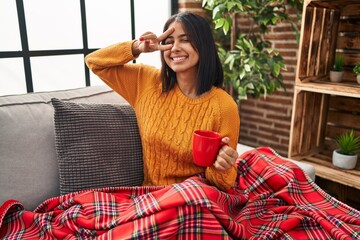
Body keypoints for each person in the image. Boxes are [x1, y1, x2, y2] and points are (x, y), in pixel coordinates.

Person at [85, 11, 240, 191]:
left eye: (185, 39)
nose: (175, 48)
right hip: (152, 197)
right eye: (168, 42)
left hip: (195, 197)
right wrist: (136, 47)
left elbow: (222, 183)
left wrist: (223, 166)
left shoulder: (224, 106)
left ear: (203, 45)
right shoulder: (145, 82)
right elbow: (93, 61)